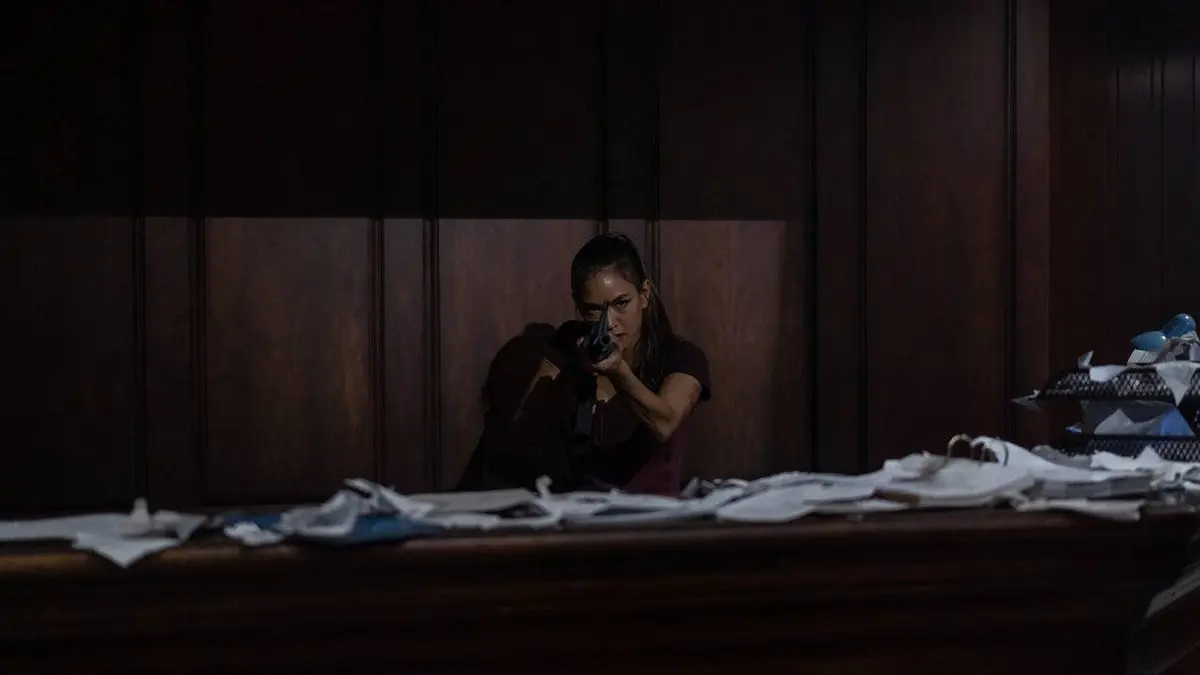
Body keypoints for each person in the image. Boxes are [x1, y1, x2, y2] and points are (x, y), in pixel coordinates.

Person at [456, 232, 711, 496]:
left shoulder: (680, 355)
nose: (609, 323)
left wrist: (619, 374)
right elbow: (522, 431)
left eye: (621, 304)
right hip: (576, 509)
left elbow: (664, 424)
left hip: (650, 513)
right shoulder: (568, 344)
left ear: (643, 294)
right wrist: (573, 378)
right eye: (593, 310)